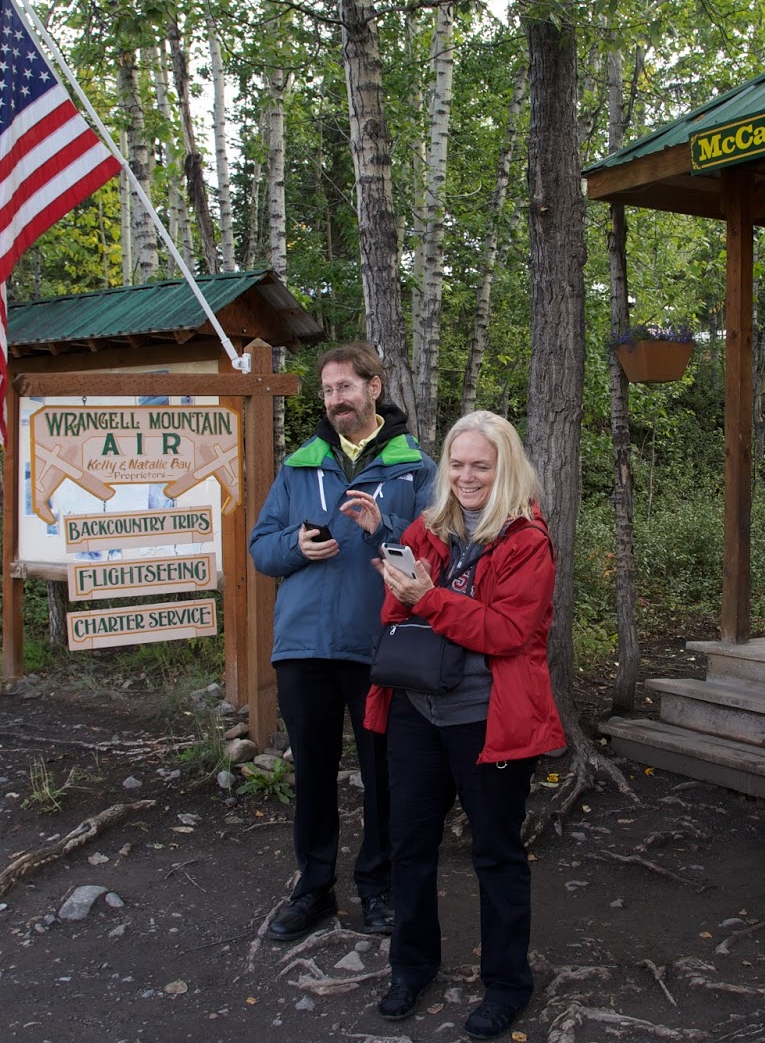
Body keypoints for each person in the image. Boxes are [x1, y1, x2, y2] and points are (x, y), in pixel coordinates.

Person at [366, 410, 565, 1040]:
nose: (467, 476)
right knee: (409, 845)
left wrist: (428, 598)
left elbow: (510, 633)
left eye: (481, 465)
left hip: (488, 720)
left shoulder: (526, 540)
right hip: (417, 712)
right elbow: (398, 614)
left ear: (505, 468)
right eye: (457, 464)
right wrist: (401, 587)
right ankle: (411, 966)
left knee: (498, 855)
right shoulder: (429, 528)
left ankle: (507, 985)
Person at [249, 343, 437, 941]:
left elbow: (438, 554)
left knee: (383, 773)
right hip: (304, 646)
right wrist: (294, 550)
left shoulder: (416, 468)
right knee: (312, 772)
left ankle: (377, 889)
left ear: (374, 387)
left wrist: (384, 533)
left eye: (345, 388)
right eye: (328, 391)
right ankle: (314, 889)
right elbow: (262, 547)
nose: (336, 401)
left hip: (381, 646)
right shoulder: (299, 465)